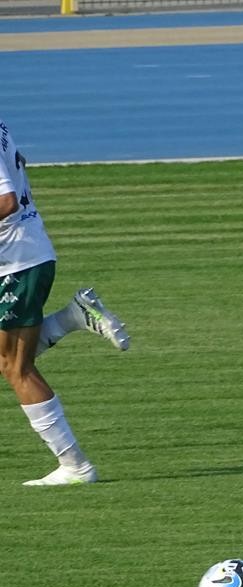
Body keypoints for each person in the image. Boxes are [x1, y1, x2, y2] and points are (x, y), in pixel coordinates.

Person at [0, 118, 130, 486]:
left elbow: (5, 200)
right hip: (24, 255)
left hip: (16, 263)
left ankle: (75, 466)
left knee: (16, 368)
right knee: (8, 361)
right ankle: (72, 317)